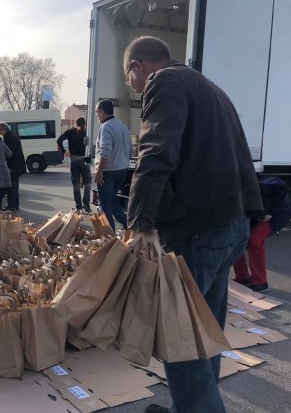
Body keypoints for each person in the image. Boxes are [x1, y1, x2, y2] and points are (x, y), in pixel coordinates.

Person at [122, 37, 262, 413]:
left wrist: (138, 223)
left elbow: (155, 151)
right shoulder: (210, 88)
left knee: (180, 335)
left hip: (197, 229)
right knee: (204, 331)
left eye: (128, 78)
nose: (132, 87)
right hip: (229, 224)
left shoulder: (164, 82)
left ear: (137, 67)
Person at [234, 176, 291, 293]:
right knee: (235, 241)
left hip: (276, 213)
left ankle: (260, 282)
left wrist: (268, 213)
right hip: (258, 214)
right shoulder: (233, 195)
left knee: (255, 240)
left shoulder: (260, 189)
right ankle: (242, 277)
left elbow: (281, 187)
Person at [94, 100, 132, 229]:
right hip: (122, 170)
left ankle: (109, 237)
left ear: (102, 112)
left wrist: (99, 172)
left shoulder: (106, 127)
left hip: (108, 172)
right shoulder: (123, 126)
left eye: (96, 112)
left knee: (104, 205)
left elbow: (105, 151)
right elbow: (131, 151)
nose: (96, 115)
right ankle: (129, 226)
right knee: (112, 201)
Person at [57, 116, 93, 213]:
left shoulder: (70, 132)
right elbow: (89, 145)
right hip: (85, 160)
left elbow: (59, 140)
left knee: (76, 185)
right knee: (88, 184)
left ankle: (78, 207)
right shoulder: (87, 133)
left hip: (74, 161)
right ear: (84, 124)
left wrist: (65, 151)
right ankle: (86, 204)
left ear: (75, 124)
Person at [0, 122, 26, 211]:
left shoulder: (9, 138)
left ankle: (12, 206)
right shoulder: (12, 135)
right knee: (14, 187)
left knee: (12, 187)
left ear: (3, 130)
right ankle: (15, 205)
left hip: (14, 166)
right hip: (17, 165)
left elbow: (9, 153)